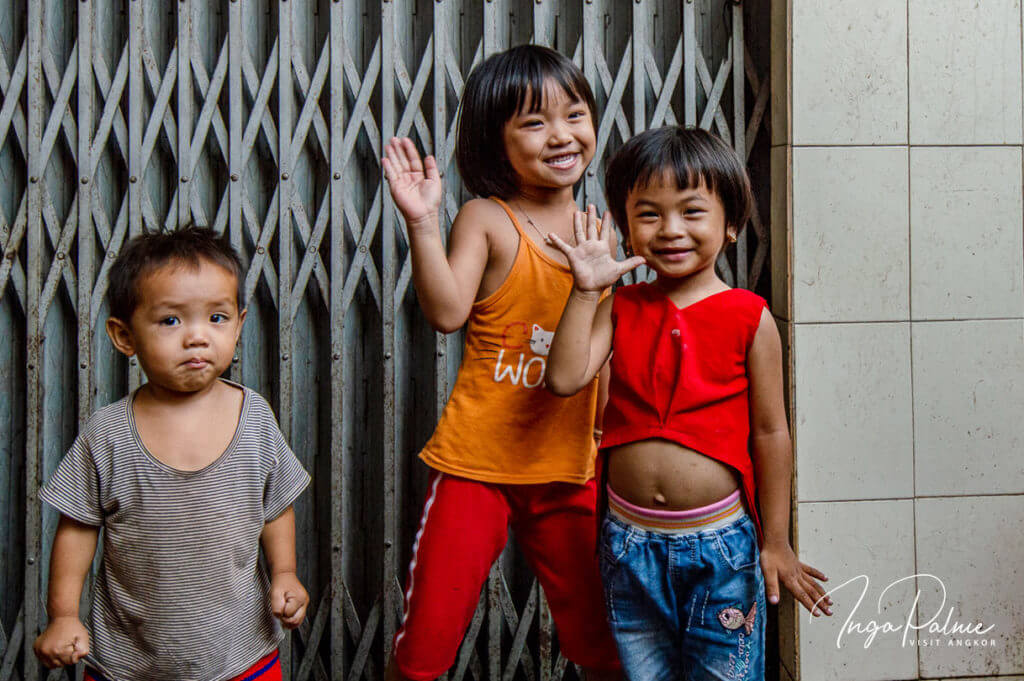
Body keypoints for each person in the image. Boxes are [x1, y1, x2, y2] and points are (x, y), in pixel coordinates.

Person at [544, 126, 833, 681]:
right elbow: (563, 380)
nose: (671, 229)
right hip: (627, 545)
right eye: (649, 214)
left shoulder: (750, 316)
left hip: (722, 548)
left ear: (730, 224)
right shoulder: (620, 305)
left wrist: (776, 541)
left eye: (692, 211)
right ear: (625, 225)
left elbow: (771, 434)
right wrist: (585, 292)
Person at [381, 44, 620, 681]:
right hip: (475, 464)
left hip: (567, 466)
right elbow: (447, 311)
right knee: (426, 643)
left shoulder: (600, 233)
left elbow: (599, 357)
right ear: (497, 140)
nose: (562, 134)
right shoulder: (488, 218)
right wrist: (423, 224)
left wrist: (602, 441)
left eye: (574, 114)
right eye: (534, 122)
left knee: (602, 641)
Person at [33, 226, 311, 681]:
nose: (197, 337)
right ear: (124, 336)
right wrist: (63, 614)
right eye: (171, 321)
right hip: (128, 660)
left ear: (240, 324)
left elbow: (276, 504)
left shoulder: (255, 417)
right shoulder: (108, 434)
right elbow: (77, 529)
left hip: (241, 653)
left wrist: (285, 571)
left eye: (217, 318)